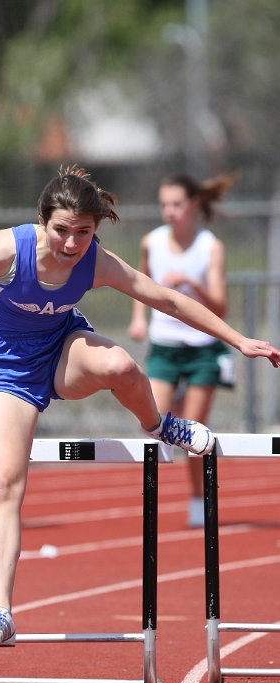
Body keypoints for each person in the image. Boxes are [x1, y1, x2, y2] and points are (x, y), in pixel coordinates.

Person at [0, 165, 280, 649]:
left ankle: (160, 425)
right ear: (42, 222)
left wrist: (239, 340)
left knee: (122, 367)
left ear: (96, 229)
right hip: (6, 368)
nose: (72, 244)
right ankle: (0, 614)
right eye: (62, 231)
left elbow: (167, 300)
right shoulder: (6, 248)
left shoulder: (96, 261)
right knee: (4, 483)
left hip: (62, 350)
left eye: (83, 233)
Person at [128, 171, 237, 528]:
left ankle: (197, 497)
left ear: (192, 205)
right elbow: (138, 282)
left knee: (194, 435)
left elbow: (220, 307)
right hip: (165, 346)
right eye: (163, 205)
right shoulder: (152, 242)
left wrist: (190, 284)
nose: (169, 211)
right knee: (153, 423)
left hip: (202, 349)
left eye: (176, 204)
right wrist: (139, 318)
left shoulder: (210, 246)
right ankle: (154, 503)